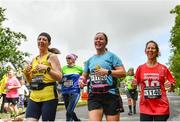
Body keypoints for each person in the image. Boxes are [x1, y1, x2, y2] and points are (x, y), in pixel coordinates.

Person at [79, 32, 126, 121]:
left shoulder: (112, 56)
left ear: (105, 42)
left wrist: (107, 72)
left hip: (110, 95)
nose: (98, 40)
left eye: (101, 39)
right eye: (96, 39)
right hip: (94, 96)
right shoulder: (90, 60)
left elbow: (123, 73)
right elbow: (84, 76)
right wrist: (81, 80)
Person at [23, 32, 62, 121]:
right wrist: (26, 73)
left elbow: (59, 77)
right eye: (39, 39)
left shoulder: (52, 57)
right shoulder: (34, 59)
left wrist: (46, 68)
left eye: (44, 39)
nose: (41, 41)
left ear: (49, 43)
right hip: (34, 96)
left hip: (49, 96)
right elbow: (30, 82)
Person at [135, 40, 176, 121]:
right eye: (148, 48)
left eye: (153, 48)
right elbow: (134, 84)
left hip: (161, 107)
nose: (150, 50)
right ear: (145, 51)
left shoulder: (163, 68)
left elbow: (172, 83)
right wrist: (133, 84)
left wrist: (171, 85)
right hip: (145, 107)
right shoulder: (140, 68)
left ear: (157, 51)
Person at [61, 53, 83, 121]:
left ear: (74, 59)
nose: (67, 59)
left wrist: (82, 82)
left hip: (75, 91)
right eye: (66, 58)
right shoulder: (63, 68)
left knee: (69, 111)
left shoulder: (79, 68)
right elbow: (60, 79)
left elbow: (85, 77)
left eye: (69, 58)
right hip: (65, 91)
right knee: (69, 110)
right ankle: (76, 120)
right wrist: (62, 80)